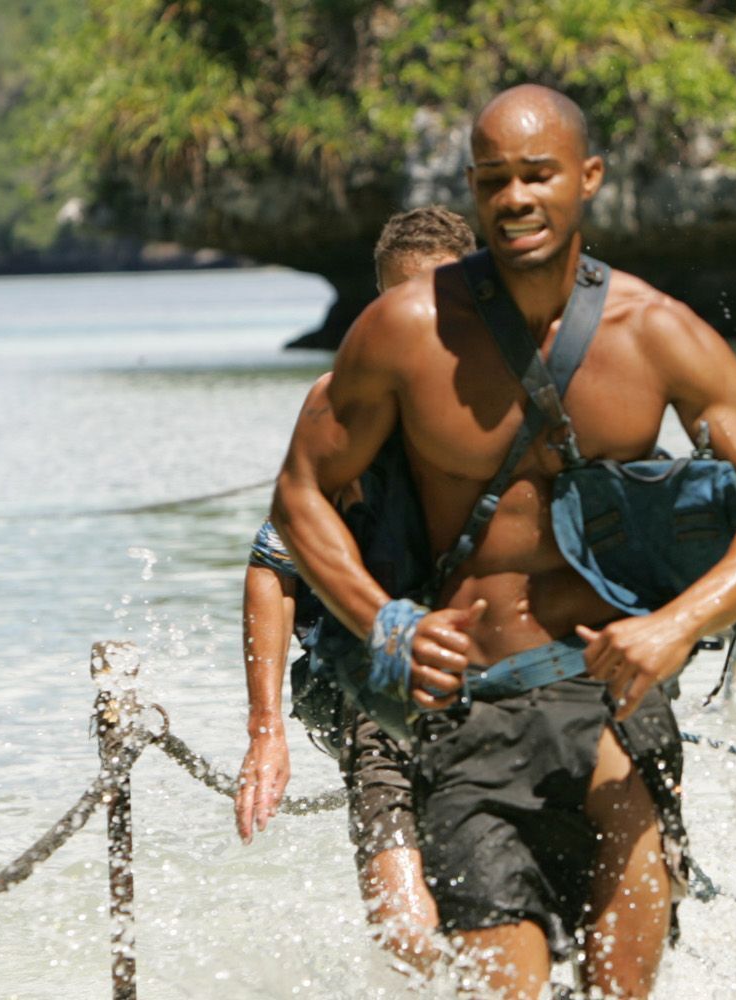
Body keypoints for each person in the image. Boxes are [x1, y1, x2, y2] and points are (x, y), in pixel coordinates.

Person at [271, 85, 736, 1000]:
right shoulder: (406, 332)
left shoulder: (656, 333)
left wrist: (678, 624)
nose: (517, 197)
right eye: (495, 180)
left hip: (612, 703)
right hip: (470, 714)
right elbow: (300, 497)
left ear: (588, 178)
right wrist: (385, 622)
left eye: (539, 175)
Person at [234, 205, 475, 969]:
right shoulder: (339, 412)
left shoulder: (522, 396)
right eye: (402, 304)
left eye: (442, 300)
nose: (422, 320)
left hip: (510, 680)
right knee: (407, 935)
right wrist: (266, 731)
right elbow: (273, 568)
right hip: (384, 689)